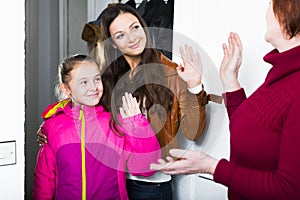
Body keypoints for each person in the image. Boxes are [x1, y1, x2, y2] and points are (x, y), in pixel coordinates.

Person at [38, 3, 221, 200]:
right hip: (110, 181)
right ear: (113, 43)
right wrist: (51, 124)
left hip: (151, 186)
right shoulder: (107, 77)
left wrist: (195, 86)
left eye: (135, 27)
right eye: (120, 35)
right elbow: (84, 107)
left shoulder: (171, 73)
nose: (132, 38)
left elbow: (194, 131)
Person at [150, 0, 300, 199]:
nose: (266, 11)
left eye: (271, 5)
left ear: (287, 14)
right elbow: (252, 130)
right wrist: (230, 80)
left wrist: (211, 166)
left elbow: (288, 190)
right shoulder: (282, 72)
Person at [33, 54, 161, 200]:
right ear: (66, 89)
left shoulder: (114, 123)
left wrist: (138, 124)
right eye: (83, 82)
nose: (94, 87)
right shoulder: (53, 126)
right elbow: (44, 180)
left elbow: (145, 167)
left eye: (97, 79)